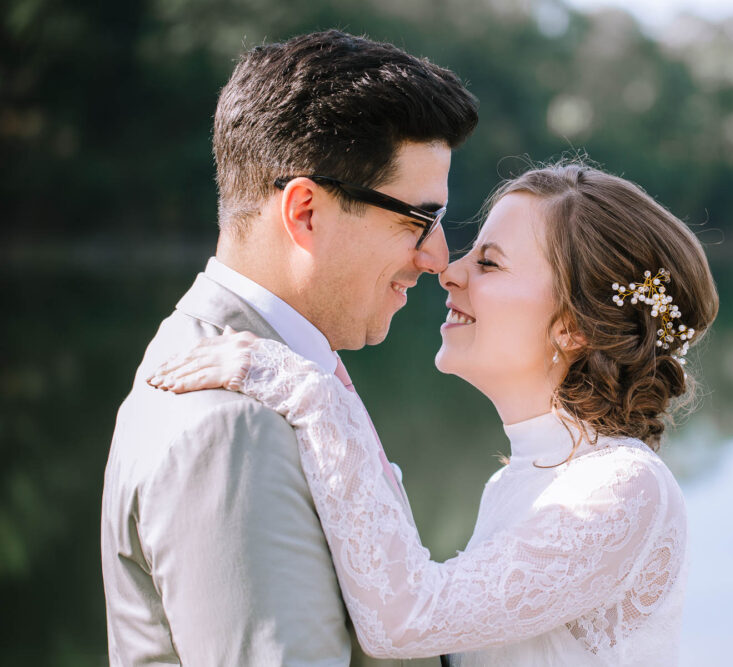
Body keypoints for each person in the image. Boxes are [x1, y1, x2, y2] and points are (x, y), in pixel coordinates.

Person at [150, 161, 720, 665]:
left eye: (490, 263)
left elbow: (405, 620)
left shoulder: (625, 486)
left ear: (574, 326)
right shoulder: (516, 483)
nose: (450, 271)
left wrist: (312, 393)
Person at [100, 29, 478, 665]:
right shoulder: (231, 427)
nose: (437, 258)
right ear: (306, 212)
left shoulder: (267, 368)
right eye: (419, 219)